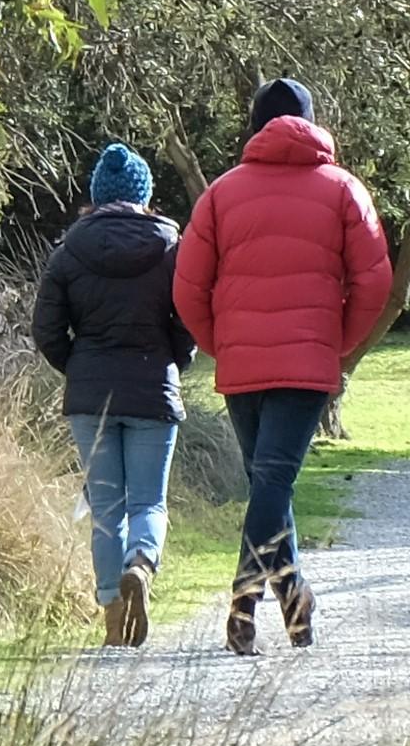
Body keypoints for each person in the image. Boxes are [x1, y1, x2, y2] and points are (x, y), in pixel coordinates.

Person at [169, 75, 397, 654]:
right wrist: (337, 342)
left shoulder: (221, 193)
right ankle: (286, 592)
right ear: (313, 121)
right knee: (273, 482)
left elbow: (188, 287)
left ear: (254, 126)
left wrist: (222, 342)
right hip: (306, 361)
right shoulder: (344, 189)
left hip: (243, 360)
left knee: (268, 481)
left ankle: (254, 601)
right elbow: (375, 279)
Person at [29, 142, 192, 643]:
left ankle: (112, 618)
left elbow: (46, 329)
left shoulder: (69, 251)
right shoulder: (172, 248)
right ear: (145, 197)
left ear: (96, 197)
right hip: (152, 390)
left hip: (91, 395)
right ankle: (141, 564)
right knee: (149, 503)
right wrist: (175, 361)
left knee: (106, 508)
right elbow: (188, 319)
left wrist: (77, 367)